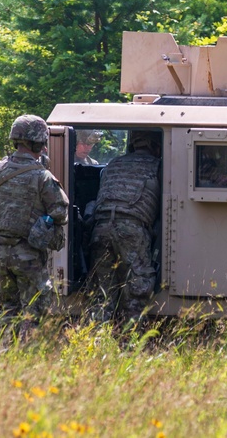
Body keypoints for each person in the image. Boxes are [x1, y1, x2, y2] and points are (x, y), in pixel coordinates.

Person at [0, 114, 69, 338]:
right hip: (28, 255)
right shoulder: (41, 176)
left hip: (2, 253)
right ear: (40, 142)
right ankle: (31, 356)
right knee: (36, 310)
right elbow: (60, 210)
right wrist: (46, 222)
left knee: (9, 310)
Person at [88, 130, 161, 323]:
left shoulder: (113, 164)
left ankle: (94, 340)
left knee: (102, 292)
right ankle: (132, 341)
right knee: (137, 289)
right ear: (156, 146)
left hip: (100, 228)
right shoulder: (158, 166)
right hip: (132, 230)